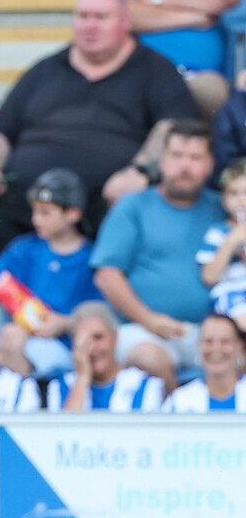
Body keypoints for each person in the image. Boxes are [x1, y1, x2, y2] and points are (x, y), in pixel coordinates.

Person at [0, 0, 199, 264]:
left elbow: (175, 126)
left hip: (105, 199)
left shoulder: (155, 70)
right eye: (83, 16)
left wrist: (141, 172)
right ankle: (15, 299)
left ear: (126, 22)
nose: (89, 26)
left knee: (128, 209)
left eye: (101, 18)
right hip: (33, 197)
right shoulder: (45, 71)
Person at [92, 118, 227, 391]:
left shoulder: (223, 207)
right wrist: (149, 320)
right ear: (162, 159)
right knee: (148, 359)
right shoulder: (132, 206)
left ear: (209, 164)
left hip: (214, 333)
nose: (184, 166)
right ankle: (176, 427)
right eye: (176, 155)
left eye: (195, 157)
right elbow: (107, 276)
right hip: (143, 330)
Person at [0, 168, 103, 380]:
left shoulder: (91, 258)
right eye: (35, 211)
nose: (36, 219)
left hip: (69, 349)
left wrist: (65, 323)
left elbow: (104, 314)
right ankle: (23, 399)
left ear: (73, 213)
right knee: (9, 336)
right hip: (22, 340)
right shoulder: (26, 248)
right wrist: (16, 301)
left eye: (45, 212)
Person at [100, 0, 241, 120]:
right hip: (141, 77)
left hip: (202, 80)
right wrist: (194, 18)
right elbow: (120, 13)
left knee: (212, 92)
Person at [46, 301, 165, 411]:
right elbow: (65, 431)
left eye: (98, 337)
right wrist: (82, 377)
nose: (91, 347)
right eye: (83, 340)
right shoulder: (61, 387)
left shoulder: (144, 386)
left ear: (115, 338)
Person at [198, 157, 246, 331]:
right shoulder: (219, 232)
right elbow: (209, 277)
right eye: (234, 193)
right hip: (231, 294)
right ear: (223, 199)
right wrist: (231, 242)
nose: (241, 200)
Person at [162, 312, 246, 410]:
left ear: (239, 346)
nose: (216, 348)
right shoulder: (179, 401)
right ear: (199, 345)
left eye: (225, 341)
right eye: (208, 341)